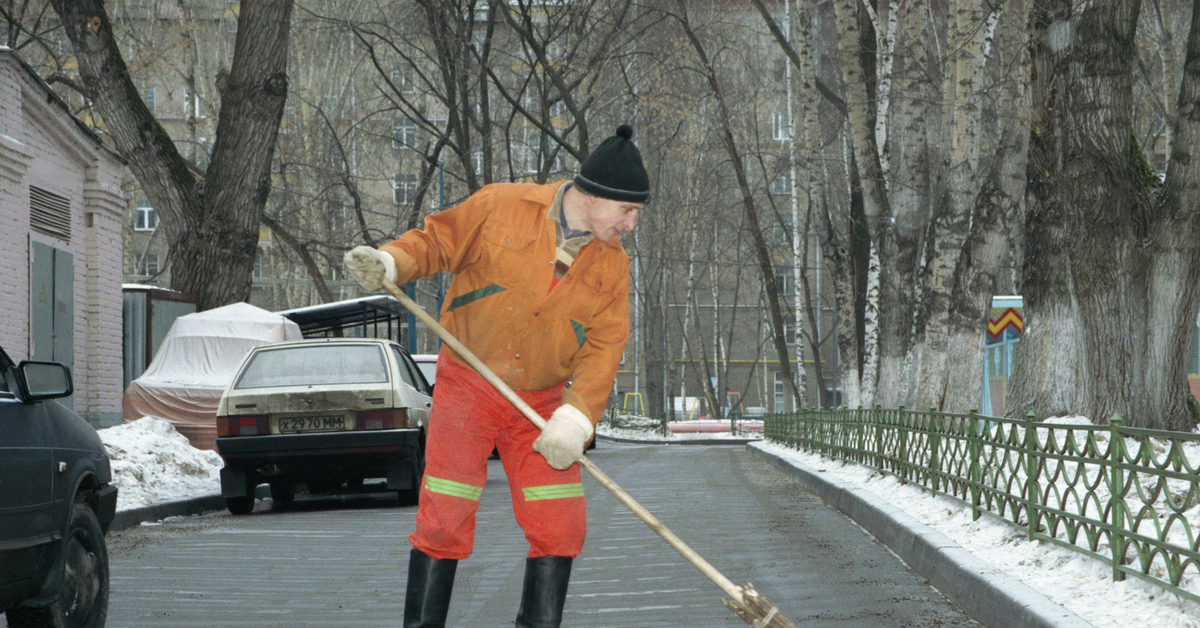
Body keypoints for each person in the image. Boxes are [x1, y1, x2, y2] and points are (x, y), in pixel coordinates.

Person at [344, 124, 649, 628]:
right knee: (446, 515)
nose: (632, 224)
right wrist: (390, 262)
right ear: (596, 197)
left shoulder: (612, 266)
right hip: (469, 385)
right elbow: (437, 242)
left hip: (544, 404)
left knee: (560, 522)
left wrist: (576, 419)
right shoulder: (501, 205)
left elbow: (604, 349)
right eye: (628, 211)